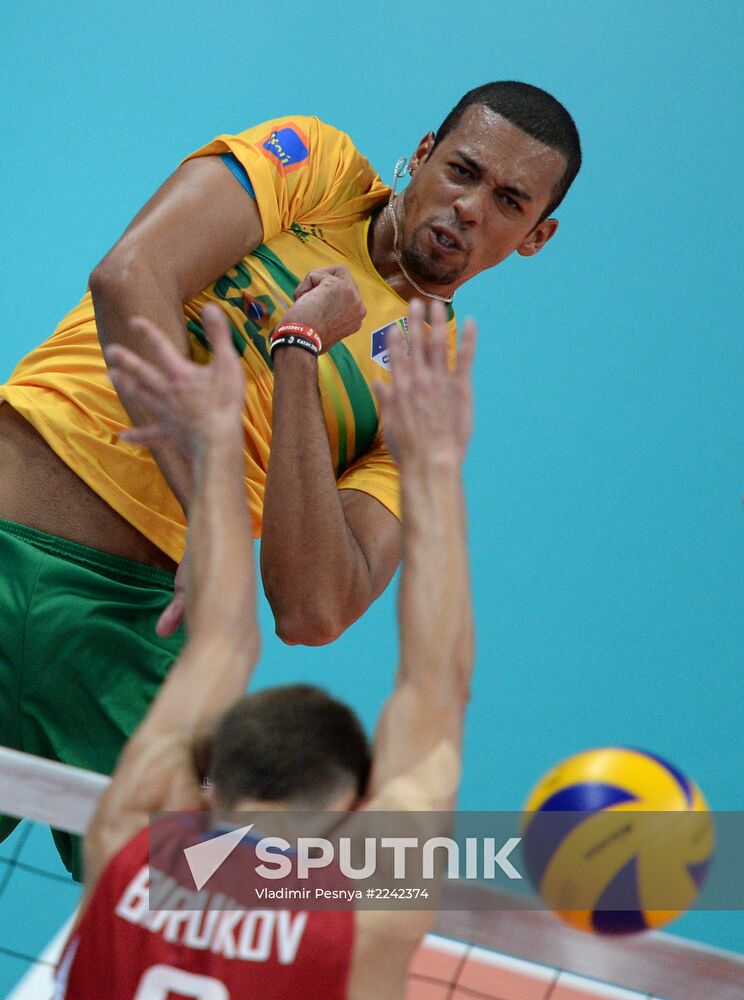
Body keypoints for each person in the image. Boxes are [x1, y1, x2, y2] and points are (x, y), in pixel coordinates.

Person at [0, 82, 581, 875]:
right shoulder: (316, 167)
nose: (471, 207)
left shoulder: (422, 395)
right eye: (461, 171)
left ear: (535, 237)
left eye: (508, 200)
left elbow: (315, 607)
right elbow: (128, 276)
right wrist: (209, 511)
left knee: (198, 915)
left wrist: (301, 349)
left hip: (131, 635)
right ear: (420, 156)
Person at [55, 295, 476, 999]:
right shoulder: (364, 921)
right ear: (350, 809)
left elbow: (218, 643)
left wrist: (217, 453)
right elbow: (435, 689)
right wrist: (432, 466)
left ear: (206, 785)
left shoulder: (126, 839)